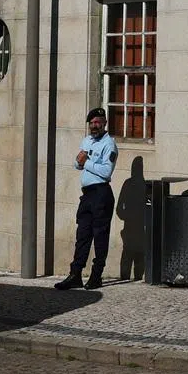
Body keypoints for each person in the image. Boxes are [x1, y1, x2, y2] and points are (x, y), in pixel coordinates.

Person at [54, 107, 118, 290]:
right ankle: (75, 274)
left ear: (105, 123)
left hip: (101, 194)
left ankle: (96, 275)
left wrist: (86, 162)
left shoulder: (109, 144)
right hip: (87, 195)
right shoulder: (87, 140)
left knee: (100, 236)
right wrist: (80, 161)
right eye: (91, 123)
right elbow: (76, 164)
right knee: (82, 235)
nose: (94, 126)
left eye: (98, 122)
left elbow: (106, 172)